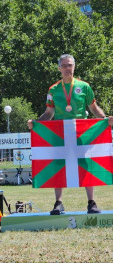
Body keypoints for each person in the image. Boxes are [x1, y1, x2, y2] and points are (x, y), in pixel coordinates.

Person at [27, 54, 113, 215]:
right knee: (59, 165)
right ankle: (58, 203)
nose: (68, 68)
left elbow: (94, 108)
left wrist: (105, 120)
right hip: (61, 134)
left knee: (86, 164)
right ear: (59, 68)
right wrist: (36, 124)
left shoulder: (84, 86)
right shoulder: (53, 89)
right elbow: (49, 113)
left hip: (83, 132)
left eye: (70, 65)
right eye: (64, 65)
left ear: (74, 66)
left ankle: (91, 202)